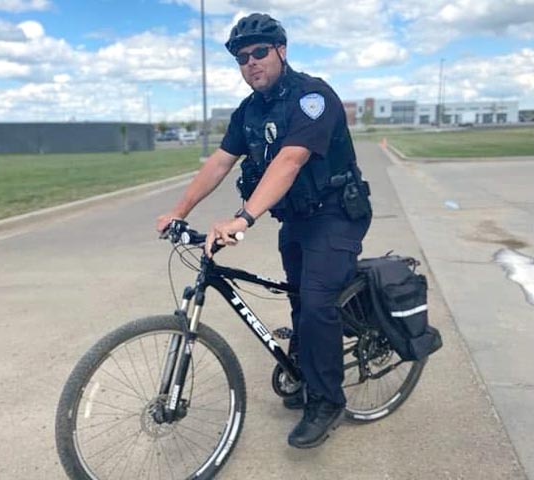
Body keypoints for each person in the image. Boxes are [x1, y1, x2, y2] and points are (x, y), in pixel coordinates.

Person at [156, 12, 372, 449]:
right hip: (296, 218)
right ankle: (308, 373)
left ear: (281, 51)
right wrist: (176, 211)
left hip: (335, 214)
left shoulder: (312, 97)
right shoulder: (249, 111)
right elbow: (219, 162)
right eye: (241, 58)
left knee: (315, 304)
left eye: (259, 52)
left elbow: (289, 161)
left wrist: (244, 218)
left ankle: (328, 400)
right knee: (297, 301)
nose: (250, 63)